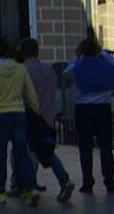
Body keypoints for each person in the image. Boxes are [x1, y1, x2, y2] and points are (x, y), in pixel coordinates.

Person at [0, 40, 40, 204]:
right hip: (18, 113)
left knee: (0, 155)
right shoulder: (20, 68)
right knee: (22, 153)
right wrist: (36, 111)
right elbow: (31, 92)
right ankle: (31, 188)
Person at [21, 40, 75, 201]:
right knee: (48, 152)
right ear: (37, 51)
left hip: (29, 116)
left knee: (26, 152)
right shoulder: (48, 70)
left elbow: (22, 95)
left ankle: (29, 187)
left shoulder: (21, 71)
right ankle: (64, 179)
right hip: (47, 117)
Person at [73, 37, 114, 194]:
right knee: (106, 147)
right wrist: (104, 56)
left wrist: (77, 56)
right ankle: (109, 181)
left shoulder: (77, 67)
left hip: (83, 110)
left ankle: (87, 182)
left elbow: (67, 73)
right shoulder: (108, 67)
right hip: (103, 109)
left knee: (85, 148)